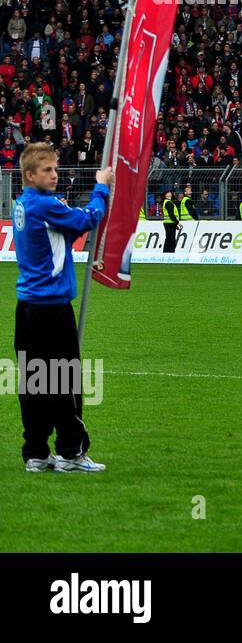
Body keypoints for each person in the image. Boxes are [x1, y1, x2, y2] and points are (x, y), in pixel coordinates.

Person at [13, 143, 114, 473]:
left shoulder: (23, 204)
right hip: (52, 308)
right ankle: (71, 452)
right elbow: (89, 218)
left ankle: (37, 453)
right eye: (47, 170)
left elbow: (57, 235)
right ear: (30, 175)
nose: (54, 175)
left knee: (34, 385)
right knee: (65, 382)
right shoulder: (45, 206)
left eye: (56, 169)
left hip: (27, 307)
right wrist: (101, 186)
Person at [161, 188, 181, 253]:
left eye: (170, 193)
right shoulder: (168, 203)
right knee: (171, 239)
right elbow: (171, 214)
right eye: (167, 193)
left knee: (169, 238)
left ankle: (167, 252)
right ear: (165, 195)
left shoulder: (167, 202)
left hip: (169, 223)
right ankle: (169, 252)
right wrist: (177, 222)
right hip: (170, 223)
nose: (169, 194)